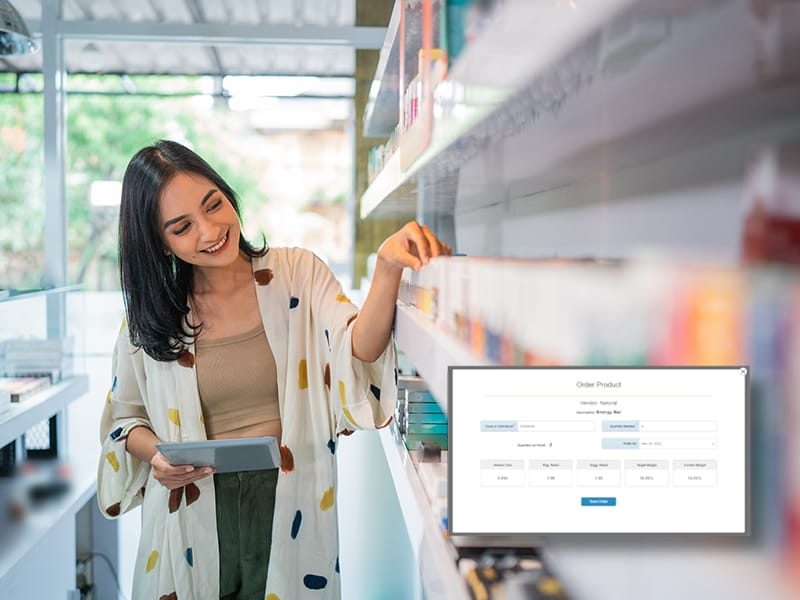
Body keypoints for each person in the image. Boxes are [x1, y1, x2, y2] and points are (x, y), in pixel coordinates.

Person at [97, 139, 451, 600]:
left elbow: (355, 347)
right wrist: (158, 455)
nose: (210, 231)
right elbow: (125, 420)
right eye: (182, 227)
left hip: (289, 501)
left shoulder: (296, 274)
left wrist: (387, 269)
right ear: (158, 242)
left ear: (227, 192)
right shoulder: (152, 316)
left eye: (214, 204)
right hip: (192, 513)